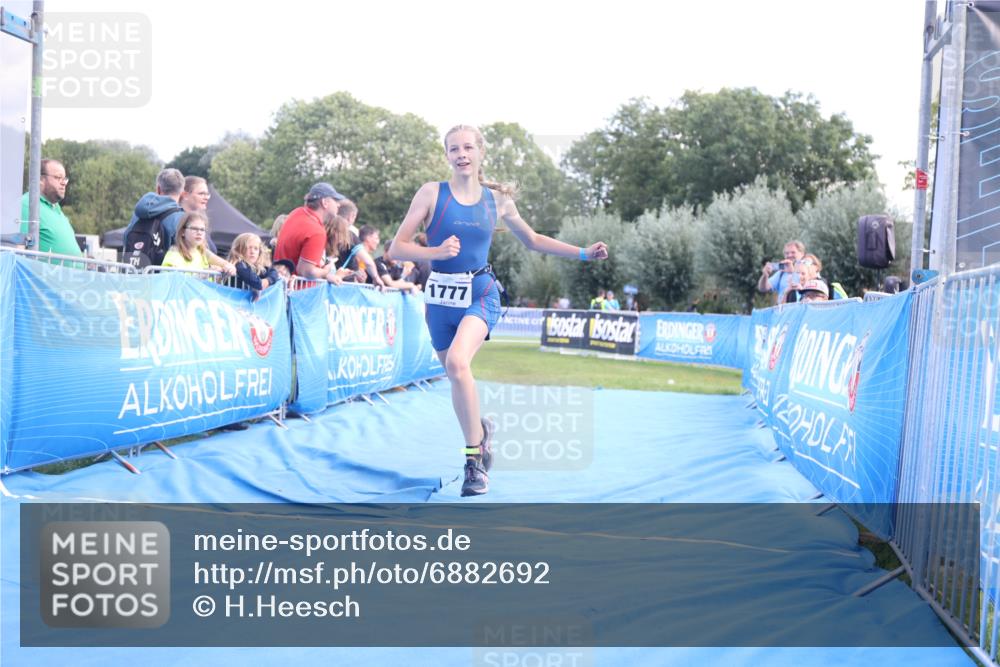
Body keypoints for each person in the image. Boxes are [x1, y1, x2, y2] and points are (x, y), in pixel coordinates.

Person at [390, 124, 608, 497]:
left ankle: (474, 462)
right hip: (440, 300)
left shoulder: (497, 201)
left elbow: (533, 240)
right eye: (454, 149)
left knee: (458, 363)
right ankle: (482, 430)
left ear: (481, 152)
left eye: (468, 147)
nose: (462, 154)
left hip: (481, 292)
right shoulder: (430, 193)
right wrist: (435, 253)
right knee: (456, 375)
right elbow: (397, 248)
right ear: (447, 155)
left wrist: (584, 253)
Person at [273, 182, 346, 284]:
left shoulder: (296, 212)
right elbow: (306, 271)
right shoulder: (316, 231)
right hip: (299, 291)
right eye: (335, 200)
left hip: (281, 286)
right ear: (325, 202)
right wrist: (326, 271)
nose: (338, 205)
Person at [19, 158, 83, 260]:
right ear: (41, 179)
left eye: (64, 179)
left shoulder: (56, 208)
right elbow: (18, 247)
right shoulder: (26, 204)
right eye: (58, 177)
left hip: (68, 271)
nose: (63, 183)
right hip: (42, 271)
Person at [123, 168, 187, 267]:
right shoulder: (181, 218)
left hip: (133, 271)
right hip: (163, 274)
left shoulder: (138, 213)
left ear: (158, 189)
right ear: (182, 193)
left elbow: (126, 238)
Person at [161, 211, 236, 275]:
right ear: (183, 232)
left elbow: (226, 264)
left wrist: (227, 270)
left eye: (202, 229)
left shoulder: (203, 252)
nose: (199, 233)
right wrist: (205, 274)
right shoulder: (174, 254)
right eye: (194, 228)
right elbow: (172, 282)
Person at [325, 216, 385, 286]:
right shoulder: (351, 241)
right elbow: (319, 273)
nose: (378, 241)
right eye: (376, 238)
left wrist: (356, 274)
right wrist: (338, 275)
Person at [758, 240, 806, 305]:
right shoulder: (781, 273)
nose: (789, 255)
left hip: (802, 309)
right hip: (783, 309)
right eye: (787, 253)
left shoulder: (809, 270)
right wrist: (765, 275)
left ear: (802, 254)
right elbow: (763, 288)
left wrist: (793, 271)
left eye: (793, 252)